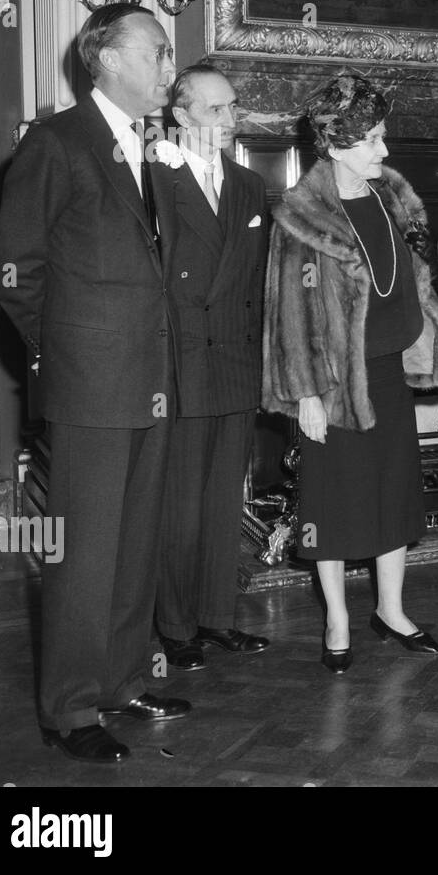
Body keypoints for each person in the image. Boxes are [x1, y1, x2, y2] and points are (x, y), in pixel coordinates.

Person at [0, 2, 185, 763]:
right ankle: (69, 710)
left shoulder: (146, 146)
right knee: (84, 554)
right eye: (158, 53)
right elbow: (12, 268)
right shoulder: (55, 143)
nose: (169, 67)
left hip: (150, 380)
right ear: (106, 58)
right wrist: (62, 351)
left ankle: (123, 679)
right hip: (91, 384)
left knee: (134, 544)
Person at [262, 76, 438, 673]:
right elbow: (288, 315)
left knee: (394, 492)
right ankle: (338, 619)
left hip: (389, 371)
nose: (384, 150)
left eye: (381, 137)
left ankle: (392, 610)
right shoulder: (302, 216)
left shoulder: (392, 196)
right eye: (372, 139)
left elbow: (415, 279)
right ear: (336, 143)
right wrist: (307, 396)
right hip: (333, 380)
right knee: (335, 501)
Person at [154, 65, 271, 671]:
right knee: (180, 503)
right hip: (181, 362)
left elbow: (257, 281)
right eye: (214, 110)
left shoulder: (250, 186)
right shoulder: (152, 177)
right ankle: (175, 626)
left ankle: (216, 616)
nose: (229, 121)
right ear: (180, 117)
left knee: (226, 496)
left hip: (235, 358)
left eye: (231, 108)